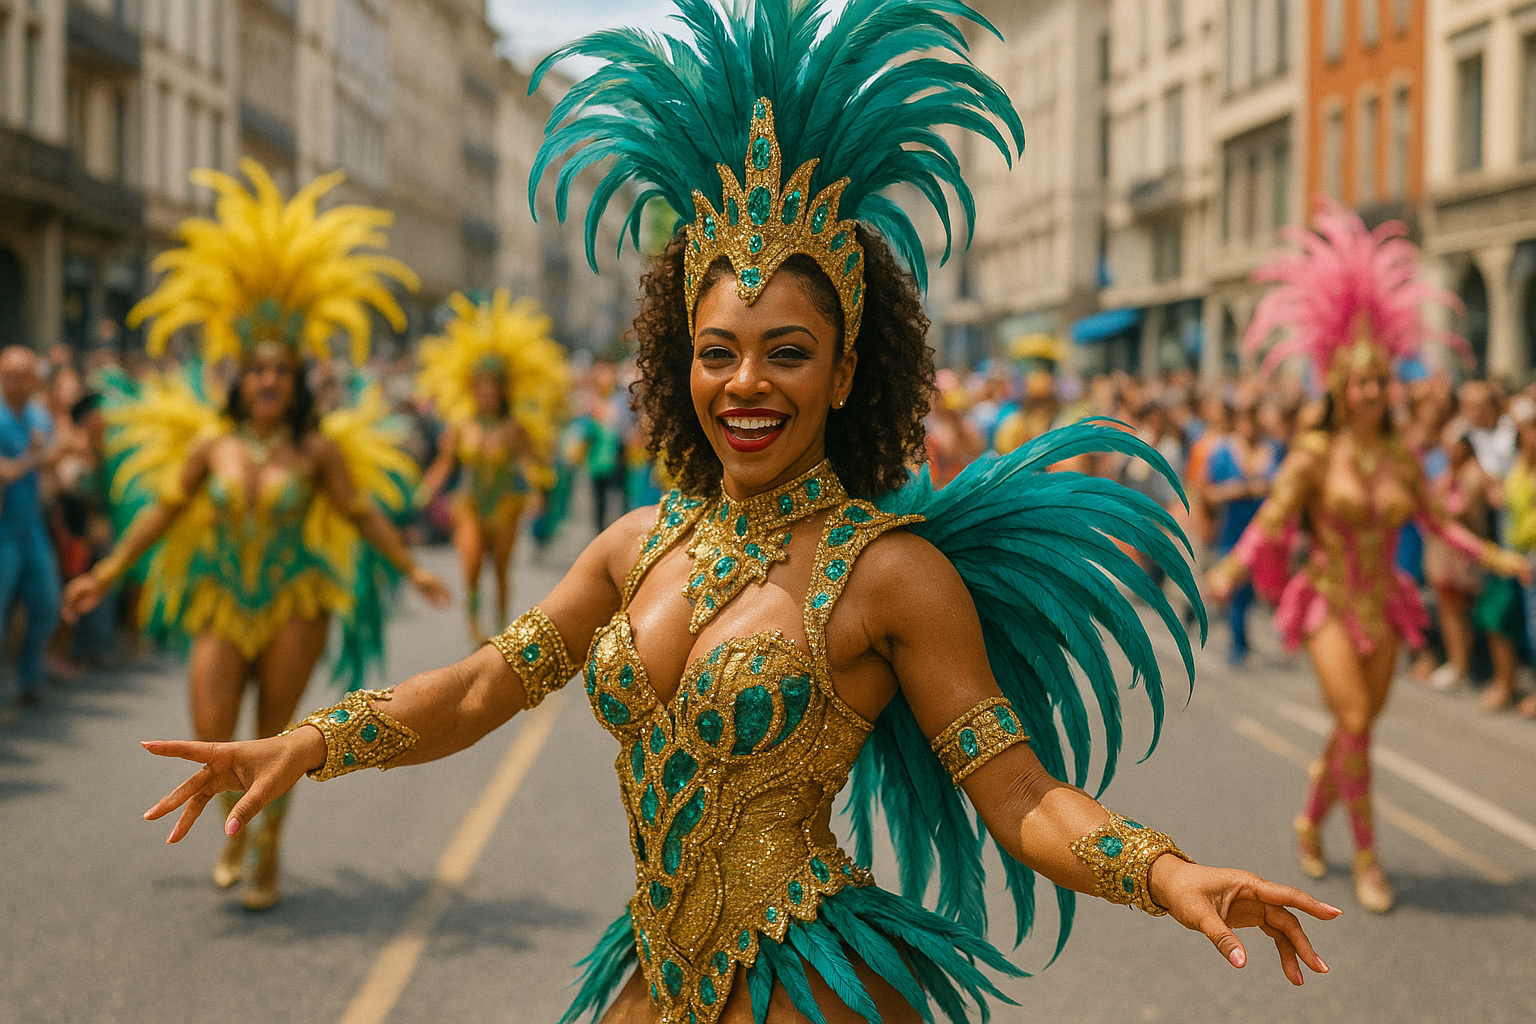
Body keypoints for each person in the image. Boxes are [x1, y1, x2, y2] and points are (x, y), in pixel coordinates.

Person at [141, 5, 1336, 1022]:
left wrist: (1163, 871)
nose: (747, 384)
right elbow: (478, 689)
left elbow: (1020, 797)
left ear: (846, 369)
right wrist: (310, 740)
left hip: (812, 985)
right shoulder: (637, 543)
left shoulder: (890, 574)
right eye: (718, 353)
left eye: (787, 352)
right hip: (653, 972)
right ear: (679, 361)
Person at [61, 160, 451, 909]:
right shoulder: (213, 446)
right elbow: (163, 511)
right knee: (213, 735)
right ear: (239, 377)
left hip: (295, 604)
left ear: (297, 381)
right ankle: (242, 833)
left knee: (275, 739)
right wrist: (105, 573)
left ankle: (266, 845)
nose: (268, 380)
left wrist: (411, 568)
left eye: (281, 370)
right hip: (219, 596)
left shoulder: (318, 451)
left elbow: (361, 515)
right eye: (257, 369)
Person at [1207, 200, 1532, 914]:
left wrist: (1504, 562)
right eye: (1362, 381)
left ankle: (1308, 819)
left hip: (1385, 606)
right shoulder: (1316, 455)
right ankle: (1368, 858)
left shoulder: (1400, 457)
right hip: (1327, 602)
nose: (1375, 390)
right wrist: (1231, 567)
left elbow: (1442, 524)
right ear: (1339, 387)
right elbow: (1271, 519)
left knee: (1354, 729)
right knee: (1354, 723)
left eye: (1383, 380)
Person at [416, 290, 570, 643]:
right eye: (480, 386)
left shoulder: (514, 428)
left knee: (499, 571)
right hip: (469, 504)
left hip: (505, 505)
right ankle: (475, 631)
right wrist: (423, 493)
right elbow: (443, 464)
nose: (486, 392)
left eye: (492, 386)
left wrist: (536, 494)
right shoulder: (460, 426)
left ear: (503, 390)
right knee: (470, 568)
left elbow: (531, 464)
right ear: (472, 388)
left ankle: (499, 629)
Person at [0, 346, 63, 714]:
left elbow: (50, 476)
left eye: (26, 375)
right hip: (3, 531)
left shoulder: (40, 417)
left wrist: (51, 463)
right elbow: (6, 471)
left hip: (32, 527)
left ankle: (29, 675)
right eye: (12, 374)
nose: (20, 381)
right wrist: (40, 457)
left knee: (46, 604)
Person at [1203, 398, 1281, 664]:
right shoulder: (1222, 450)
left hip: (1263, 529)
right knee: (1234, 584)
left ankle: (1241, 633)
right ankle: (1237, 640)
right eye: (1244, 418)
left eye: (1254, 417)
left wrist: (1264, 489)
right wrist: (1230, 491)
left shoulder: (1273, 450)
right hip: (1232, 528)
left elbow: (1287, 488)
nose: (1249, 425)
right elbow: (1207, 492)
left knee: (1252, 586)